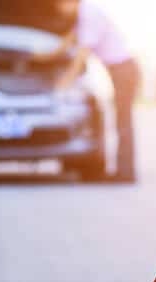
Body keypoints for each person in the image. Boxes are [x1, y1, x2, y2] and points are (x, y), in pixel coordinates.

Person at [54, 0, 140, 183]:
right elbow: (69, 41)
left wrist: (65, 81)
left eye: (60, 6)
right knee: (121, 121)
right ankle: (123, 171)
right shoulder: (83, 14)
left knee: (123, 122)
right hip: (119, 69)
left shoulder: (89, 14)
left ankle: (126, 174)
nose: (60, 11)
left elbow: (82, 53)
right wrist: (42, 55)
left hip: (124, 69)